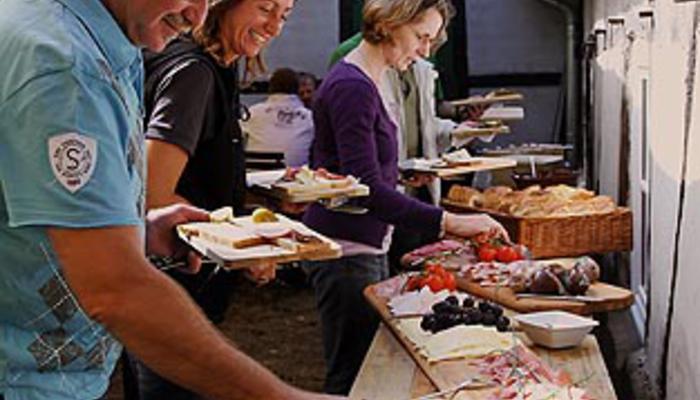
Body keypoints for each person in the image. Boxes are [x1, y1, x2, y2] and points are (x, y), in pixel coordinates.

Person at [0, 0, 341, 399]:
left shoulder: (100, 42)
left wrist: (138, 232)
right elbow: (115, 290)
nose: (197, 16)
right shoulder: (67, 63)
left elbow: (38, 203)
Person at [302, 0, 509, 394]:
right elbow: (366, 189)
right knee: (353, 377)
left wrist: (397, 173)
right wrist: (451, 222)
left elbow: (347, 169)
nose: (425, 50)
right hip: (346, 249)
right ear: (390, 24)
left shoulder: (368, 81)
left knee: (369, 370)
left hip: (363, 243)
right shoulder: (353, 86)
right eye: (421, 37)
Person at [241, 68, 315, 167]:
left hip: (255, 175)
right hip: (295, 177)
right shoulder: (309, 118)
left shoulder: (252, 113)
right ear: (297, 89)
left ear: (270, 87)